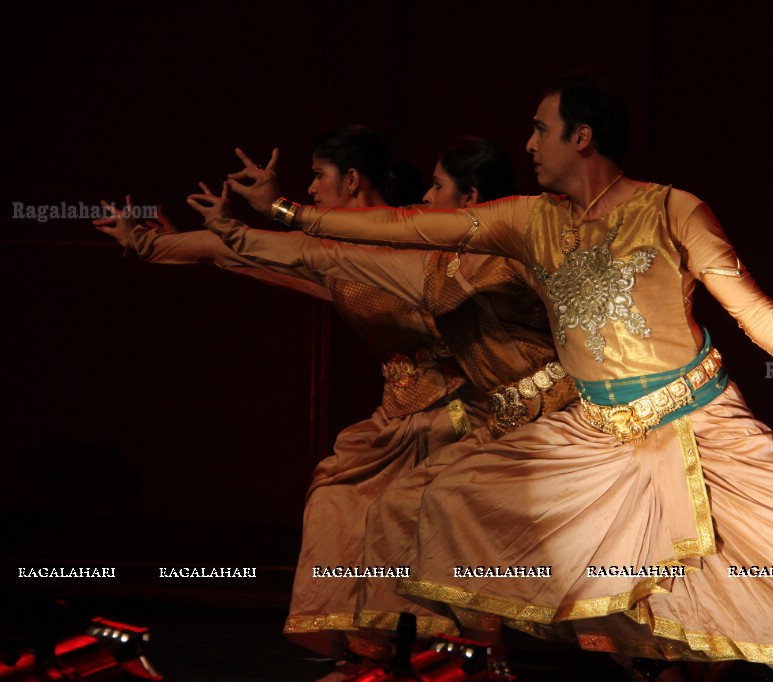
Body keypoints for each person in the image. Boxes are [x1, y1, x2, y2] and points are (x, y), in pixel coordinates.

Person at [228, 74, 773, 681]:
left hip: (702, 427)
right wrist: (292, 211)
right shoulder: (528, 221)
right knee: (448, 495)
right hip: (594, 438)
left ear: (582, 138)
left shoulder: (672, 210)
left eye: (540, 130)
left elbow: (753, 311)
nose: (529, 145)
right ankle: (475, 656)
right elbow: (406, 229)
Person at [96, 129, 574, 677]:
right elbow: (271, 256)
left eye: (320, 175)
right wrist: (152, 245)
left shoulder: (420, 234)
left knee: (416, 515)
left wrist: (264, 217)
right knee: (336, 503)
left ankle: (475, 656)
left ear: (352, 180)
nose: (312, 187)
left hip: (463, 411)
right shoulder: (338, 248)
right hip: (397, 416)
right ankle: (367, 657)